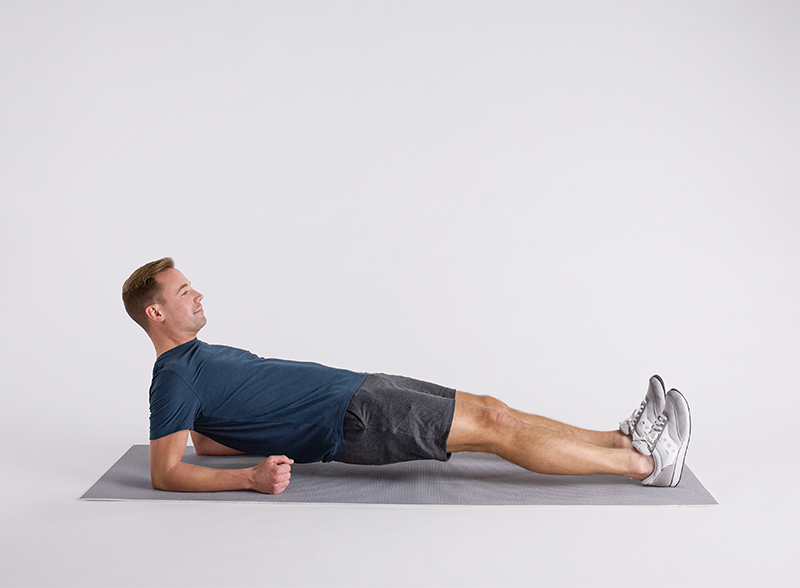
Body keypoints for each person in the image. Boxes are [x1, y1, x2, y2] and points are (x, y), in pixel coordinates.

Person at [122, 257, 691, 495]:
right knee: (493, 425)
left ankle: (622, 439)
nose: (197, 295)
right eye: (183, 291)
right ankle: (646, 464)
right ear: (156, 313)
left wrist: (248, 443)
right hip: (354, 419)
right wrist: (249, 479)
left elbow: (203, 438)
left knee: (494, 405)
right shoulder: (172, 377)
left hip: (358, 388)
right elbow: (166, 471)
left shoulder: (193, 366)